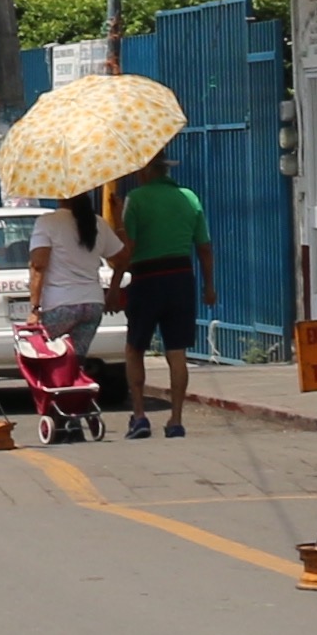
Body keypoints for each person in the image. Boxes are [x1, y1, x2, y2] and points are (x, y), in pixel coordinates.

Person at [112, 150, 213, 437]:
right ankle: (176, 419)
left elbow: (127, 250)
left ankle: (140, 415)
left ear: (144, 172)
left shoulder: (137, 200)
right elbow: (204, 247)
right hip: (181, 278)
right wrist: (209, 285)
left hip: (147, 279)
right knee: (176, 352)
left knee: (135, 349)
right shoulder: (189, 198)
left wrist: (119, 221)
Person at [29, 191, 109, 439]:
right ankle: (77, 416)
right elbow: (122, 257)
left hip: (60, 306)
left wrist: (34, 308)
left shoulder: (48, 222)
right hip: (92, 304)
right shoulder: (97, 222)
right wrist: (114, 291)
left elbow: (38, 265)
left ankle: (60, 418)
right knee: (77, 363)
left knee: (56, 363)